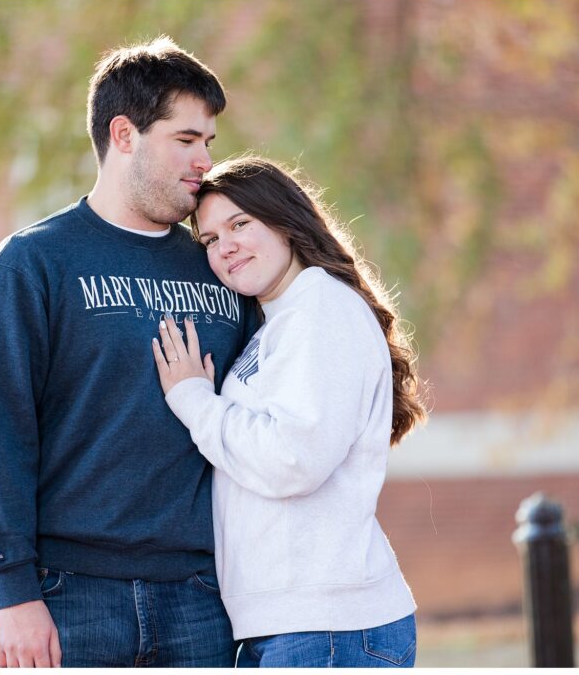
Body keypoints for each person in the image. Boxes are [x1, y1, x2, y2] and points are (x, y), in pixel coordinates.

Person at [0, 37, 258, 668]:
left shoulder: (223, 265)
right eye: (185, 139)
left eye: (209, 142)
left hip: (205, 595)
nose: (205, 160)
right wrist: (13, 592)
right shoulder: (28, 268)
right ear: (124, 134)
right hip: (68, 597)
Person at [151, 156, 427, 667]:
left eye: (239, 224)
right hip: (294, 624)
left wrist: (193, 400)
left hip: (327, 626)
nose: (224, 246)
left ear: (284, 220)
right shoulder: (282, 319)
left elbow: (294, 459)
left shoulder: (321, 308)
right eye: (209, 240)